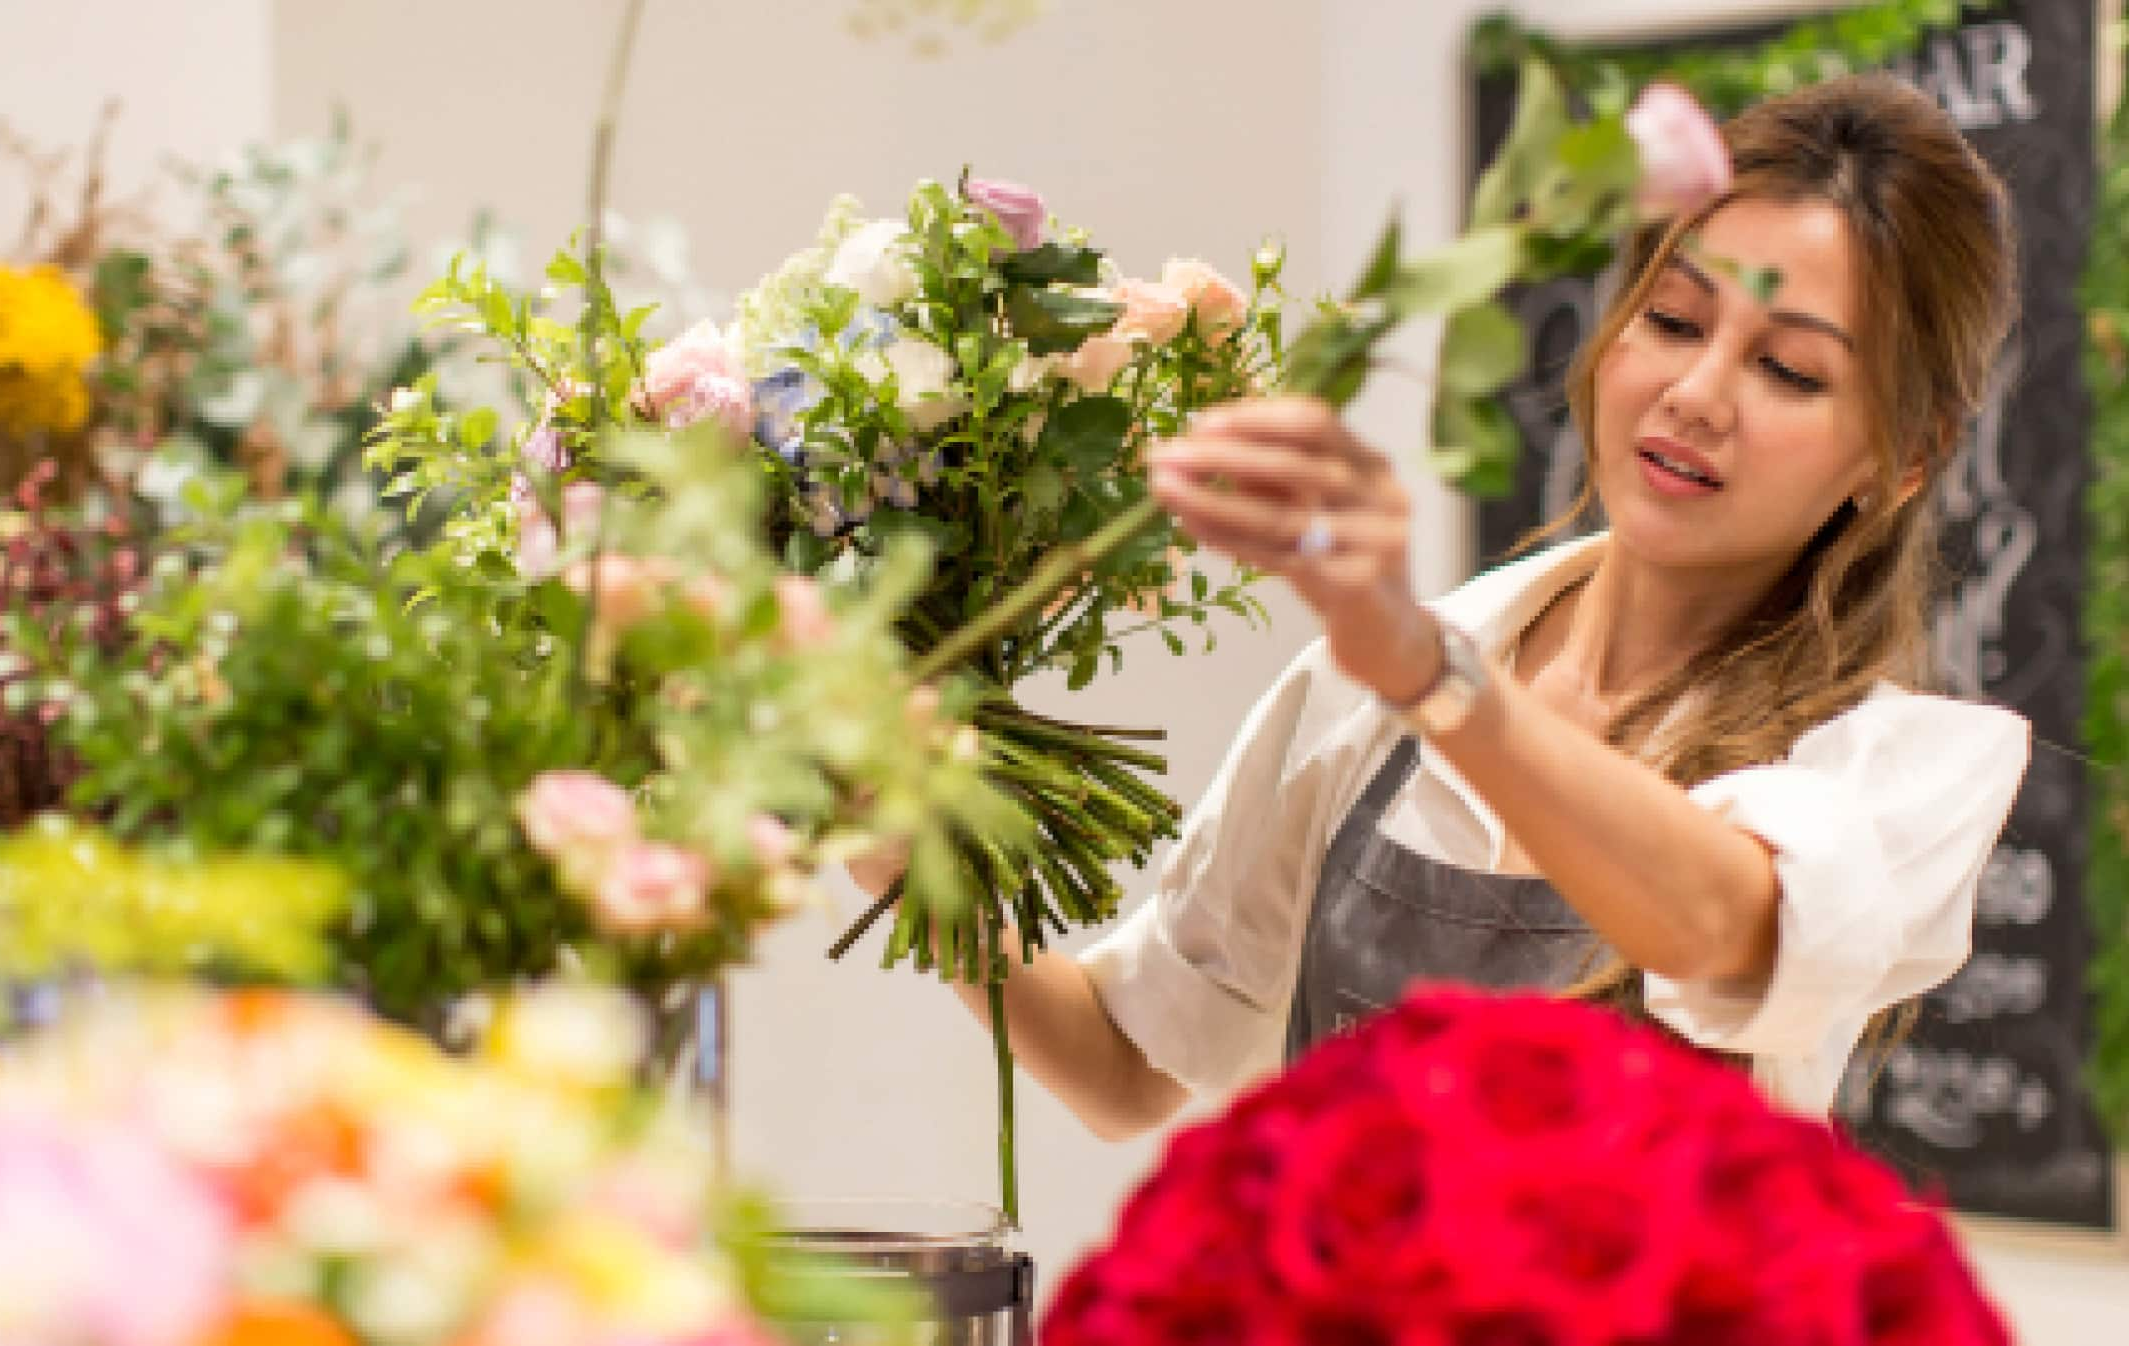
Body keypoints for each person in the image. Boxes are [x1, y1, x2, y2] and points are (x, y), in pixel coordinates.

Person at [850, 73, 2030, 1139]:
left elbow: (1721, 922)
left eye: (1788, 370)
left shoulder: (1902, 770)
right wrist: (900, 846)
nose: (1695, 392)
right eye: (1670, 319)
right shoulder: (1368, 695)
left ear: (1904, 455)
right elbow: (1124, 1063)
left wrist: (1431, 676)